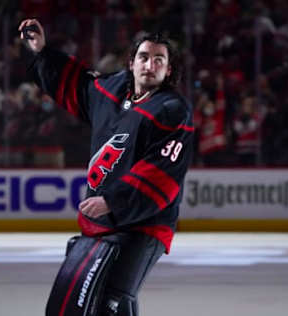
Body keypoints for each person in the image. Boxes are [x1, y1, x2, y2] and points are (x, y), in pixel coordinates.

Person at [19, 18, 194, 315]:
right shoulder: (112, 90)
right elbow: (78, 84)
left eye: (158, 60)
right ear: (131, 62)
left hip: (147, 224)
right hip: (105, 221)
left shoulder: (172, 110)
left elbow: (162, 172)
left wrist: (113, 201)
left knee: (115, 298)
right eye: (143, 57)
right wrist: (42, 51)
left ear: (169, 70)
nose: (149, 65)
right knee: (100, 301)